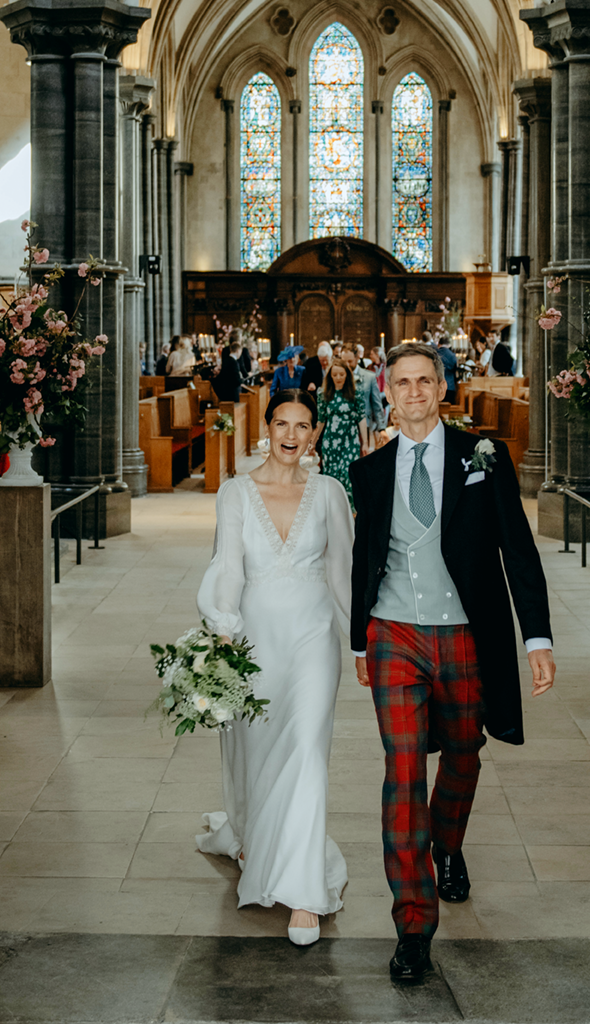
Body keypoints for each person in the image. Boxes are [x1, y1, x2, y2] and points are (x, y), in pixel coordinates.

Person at [349, 343, 555, 982]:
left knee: (465, 752)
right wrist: (359, 641)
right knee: (404, 771)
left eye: (424, 380)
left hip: (465, 632)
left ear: (442, 388)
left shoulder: (483, 456)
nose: (413, 391)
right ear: (387, 393)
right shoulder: (370, 471)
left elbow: (517, 549)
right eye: (402, 382)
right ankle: (413, 926)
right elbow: (363, 558)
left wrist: (537, 639)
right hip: (394, 634)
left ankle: (448, 844)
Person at [196, 389, 354, 947]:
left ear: (315, 433)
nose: (291, 435)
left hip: (314, 637)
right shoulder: (236, 492)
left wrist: (360, 643)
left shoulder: (330, 492)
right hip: (255, 640)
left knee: (307, 750)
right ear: (266, 428)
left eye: (302, 425)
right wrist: (222, 629)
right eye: (282, 423)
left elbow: (343, 572)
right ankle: (253, 837)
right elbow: (227, 565)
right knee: (258, 751)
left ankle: (304, 893)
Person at [316, 361, 368, 510]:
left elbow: (361, 418)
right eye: (335, 375)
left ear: (347, 375)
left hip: (349, 439)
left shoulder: (355, 393)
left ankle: (350, 511)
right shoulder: (324, 394)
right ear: (330, 376)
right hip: (330, 441)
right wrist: (313, 441)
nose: (338, 378)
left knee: (348, 473)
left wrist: (365, 442)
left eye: (341, 374)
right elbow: (321, 420)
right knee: (332, 476)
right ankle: (333, 510)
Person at [340, 342, 387, 447]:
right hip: (341, 427)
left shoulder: (369, 377)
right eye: (344, 361)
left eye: (350, 361)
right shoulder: (337, 377)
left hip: (363, 428)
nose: (347, 365)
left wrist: (382, 429)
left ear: (357, 358)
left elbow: (377, 405)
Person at [436, 334, 458, 404]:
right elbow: (455, 371)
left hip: (437, 385)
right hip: (450, 386)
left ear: (439, 344)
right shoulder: (452, 355)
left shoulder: (435, 354)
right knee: (449, 408)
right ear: (448, 345)